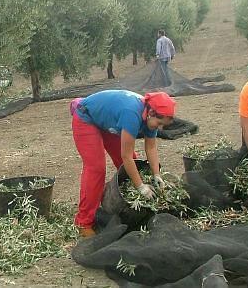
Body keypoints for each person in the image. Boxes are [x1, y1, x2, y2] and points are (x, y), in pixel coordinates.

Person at [70, 90, 176, 237]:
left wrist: (157, 174)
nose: (160, 128)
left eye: (163, 126)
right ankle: (83, 222)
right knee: (96, 169)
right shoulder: (131, 114)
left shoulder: (149, 117)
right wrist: (141, 187)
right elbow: (126, 157)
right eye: (159, 124)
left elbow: (151, 147)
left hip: (107, 121)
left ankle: (120, 201)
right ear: (151, 112)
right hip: (86, 118)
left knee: (131, 164)